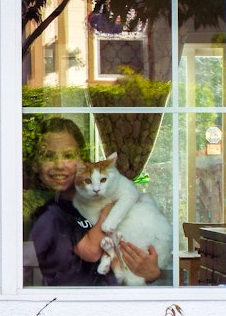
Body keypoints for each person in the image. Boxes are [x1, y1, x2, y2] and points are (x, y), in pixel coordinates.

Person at [27, 117, 166, 286]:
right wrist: (115, 202)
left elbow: (135, 256)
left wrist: (152, 273)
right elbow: (91, 251)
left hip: (120, 298)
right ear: (37, 165)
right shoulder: (52, 214)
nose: (59, 165)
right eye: (49, 156)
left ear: (82, 162)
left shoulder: (90, 202)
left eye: (68, 156)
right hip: (80, 303)